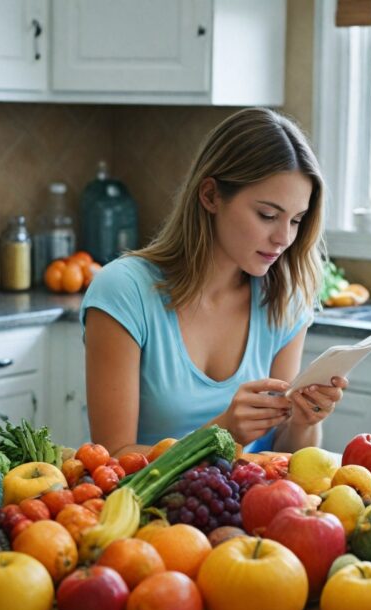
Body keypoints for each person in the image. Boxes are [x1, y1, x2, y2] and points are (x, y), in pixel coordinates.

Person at [80, 107, 347, 456]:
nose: (284, 237)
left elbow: (287, 457)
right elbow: (111, 458)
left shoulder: (285, 297)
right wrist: (221, 433)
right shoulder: (123, 291)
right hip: (152, 509)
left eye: (297, 220)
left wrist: (304, 420)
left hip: (257, 507)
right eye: (267, 215)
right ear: (210, 196)